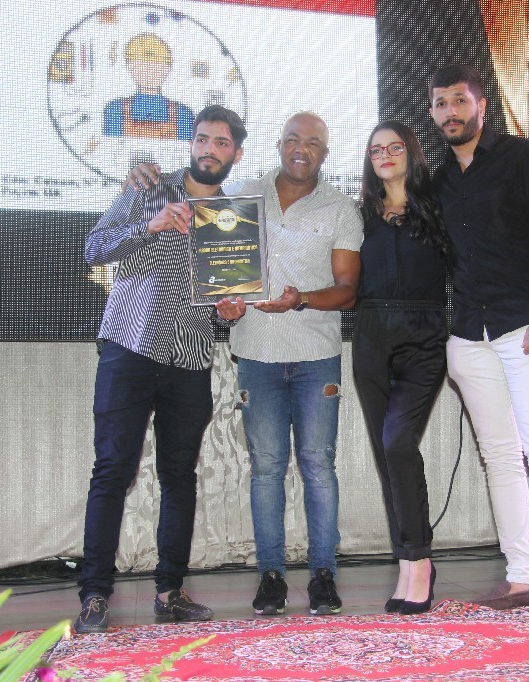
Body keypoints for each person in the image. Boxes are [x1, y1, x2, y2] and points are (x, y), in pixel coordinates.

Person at [124, 111, 363, 615]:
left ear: (325, 152)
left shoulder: (341, 207)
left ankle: (323, 575)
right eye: (292, 139)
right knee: (266, 469)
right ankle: (271, 576)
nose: (301, 149)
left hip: (317, 356)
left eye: (312, 142)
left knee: (318, 466)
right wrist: (224, 306)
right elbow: (216, 269)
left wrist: (301, 299)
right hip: (255, 354)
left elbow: (348, 291)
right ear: (278, 145)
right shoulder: (240, 196)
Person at [75, 105, 247, 633]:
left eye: (221, 143)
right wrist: (149, 225)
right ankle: (94, 596)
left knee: (179, 476)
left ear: (236, 154)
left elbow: (228, 298)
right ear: (190, 143)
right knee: (113, 471)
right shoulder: (147, 187)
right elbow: (94, 248)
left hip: (190, 357)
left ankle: (170, 592)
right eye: (202, 139)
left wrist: (230, 310)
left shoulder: (233, 219)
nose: (209, 150)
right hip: (129, 348)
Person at [429, 64, 529, 618]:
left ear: (481, 105)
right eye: (440, 103)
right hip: (469, 336)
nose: (450, 111)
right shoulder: (439, 181)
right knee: (499, 456)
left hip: (527, 326)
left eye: (459, 100)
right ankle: (522, 578)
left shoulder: (523, 157)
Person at [353, 121, 450, 615]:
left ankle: (420, 559)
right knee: (386, 454)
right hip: (370, 335)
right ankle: (407, 563)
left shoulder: (438, 206)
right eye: (376, 150)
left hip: (424, 335)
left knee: (398, 442)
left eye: (394, 147)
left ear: (411, 153)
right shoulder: (358, 216)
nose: (385, 155)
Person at [103, 33, 195, 141]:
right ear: (130, 68)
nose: (149, 72)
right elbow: (111, 145)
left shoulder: (183, 114)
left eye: (157, 67)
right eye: (141, 66)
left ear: (168, 69)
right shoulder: (115, 110)